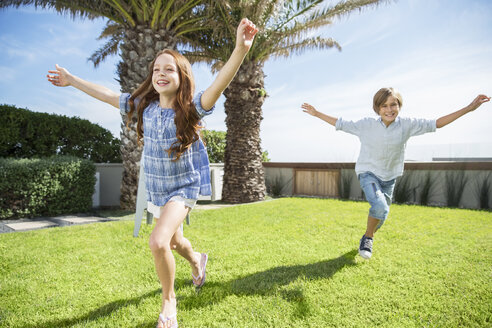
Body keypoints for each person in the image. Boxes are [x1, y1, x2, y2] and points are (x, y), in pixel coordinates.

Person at [47, 18, 258, 328]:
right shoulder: (143, 108)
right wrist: (71, 79)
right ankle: (198, 259)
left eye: (169, 69)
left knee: (158, 242)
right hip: (157, 191)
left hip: (182, 189)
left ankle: (169, 303)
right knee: (174, 243)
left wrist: (240, 48)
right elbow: (106, 94)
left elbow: (219, 83)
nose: (161, 73)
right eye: (157, 69)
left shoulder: (192, 107)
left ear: (181, 76)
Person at [301, 88, 490, 260]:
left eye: (393, 104)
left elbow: (437, 123)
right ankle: (367, 239)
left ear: (399, 106)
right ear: (377, 108)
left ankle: (369, 233)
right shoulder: (366, 125)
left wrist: (469, 108)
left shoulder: (407, 125)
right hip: (368, 173)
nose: (389, 109)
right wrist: (316, 113)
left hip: (390, 177)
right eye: (384, 106)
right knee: (379, 206)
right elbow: (340, 123)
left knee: (381, 215)